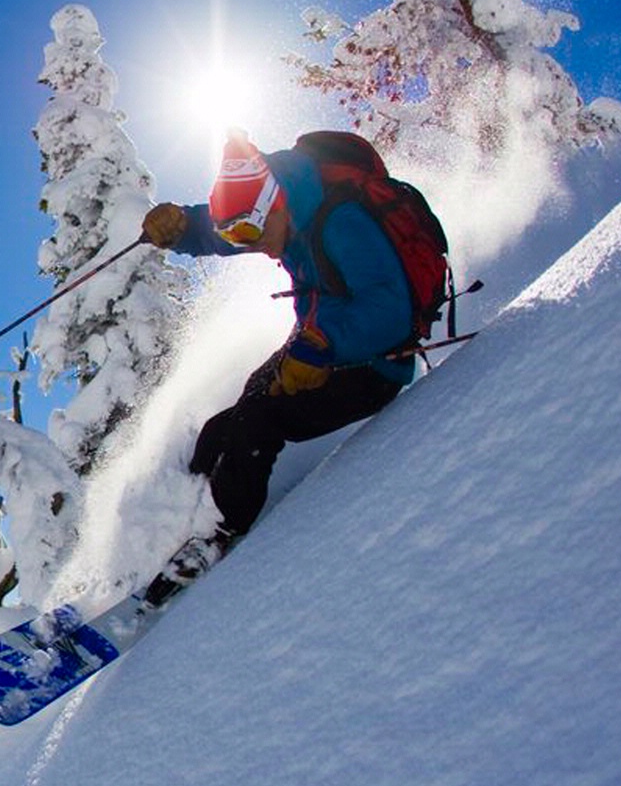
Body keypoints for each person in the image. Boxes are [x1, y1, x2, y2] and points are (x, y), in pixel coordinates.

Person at [139, 129, 418, 606]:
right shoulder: (280, 206)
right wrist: (183, 227)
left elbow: (392, 308)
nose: (255, 248)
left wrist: (323, 347)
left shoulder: (342, 222)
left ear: (277, 203)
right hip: (317, 346)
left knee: (258, 422)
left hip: (373, 364)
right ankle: (181, 517)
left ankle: (220, 532)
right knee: (224, 422)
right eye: (239, 236)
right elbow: (225, 227)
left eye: (252, 233)